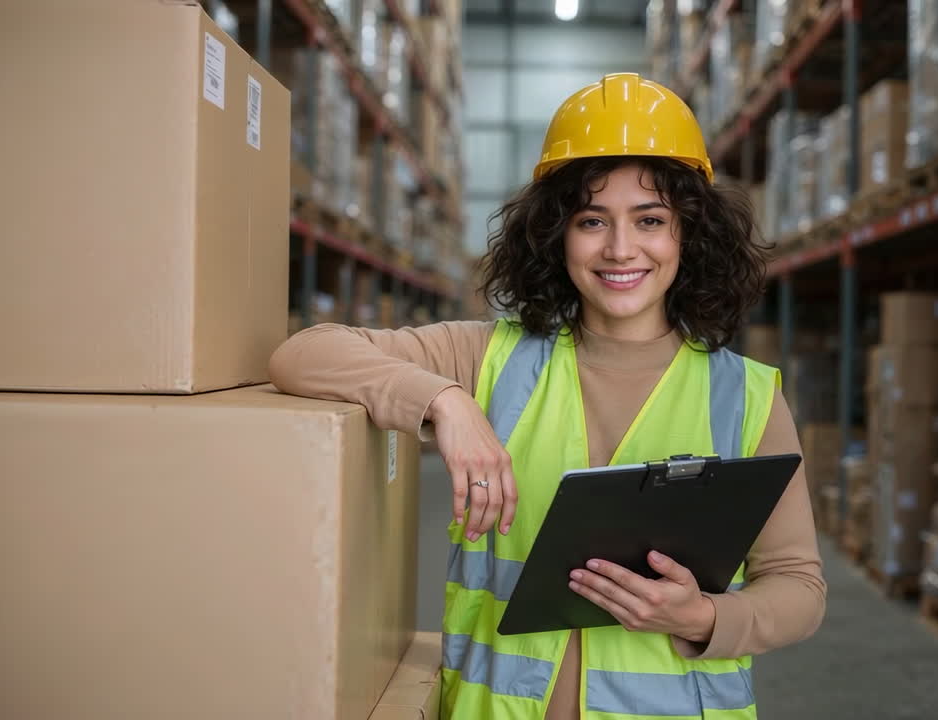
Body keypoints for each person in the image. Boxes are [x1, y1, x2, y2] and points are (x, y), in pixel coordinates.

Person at [269, 72, 826, 720]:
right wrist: (446, 402)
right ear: (557, 235)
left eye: (650, 220)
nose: (621, 249)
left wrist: (705, 616)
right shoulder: (488, 359)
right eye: (593, 220)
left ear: (688, 234)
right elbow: (304, 352)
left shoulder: (747, 396)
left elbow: (799, 588)